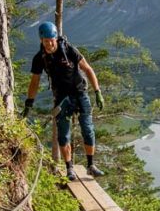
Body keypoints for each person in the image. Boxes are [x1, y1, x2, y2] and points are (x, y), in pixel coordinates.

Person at [22, 21, 105, 180]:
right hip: (61, 98)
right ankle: (69, 168)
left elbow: (87, 69)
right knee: (63, 135)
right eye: (46, 41)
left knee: (88, 130)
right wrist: (29, 102)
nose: (50, 43)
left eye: (52, 39)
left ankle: (91, 165)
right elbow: (35, 81)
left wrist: (97, 91)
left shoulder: (69, 50)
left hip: (80, 94)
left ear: (56, 37)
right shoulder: (40, 58)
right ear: (41, 40)